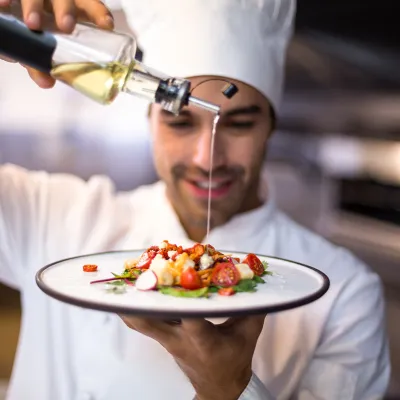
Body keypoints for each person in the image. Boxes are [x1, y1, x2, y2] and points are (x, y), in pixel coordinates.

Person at [0, 0, 390, 399]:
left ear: (270, 127)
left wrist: (229, 389)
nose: (208, 158)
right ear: (150, 120)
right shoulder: (55, 216)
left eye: (239, 124)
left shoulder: (344, 294)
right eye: (181, 122)